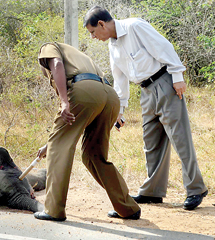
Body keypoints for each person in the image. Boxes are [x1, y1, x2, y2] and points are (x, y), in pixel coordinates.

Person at [83, 6, 208, 210]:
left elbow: (164, 48)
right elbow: (120, 79)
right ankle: (153, 192)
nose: (93, 37)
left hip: (165, 83)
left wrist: (178, 77)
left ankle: (196, 189)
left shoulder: (135, 27)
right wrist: (119, 111)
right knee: (151, 141)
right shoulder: (112, 45)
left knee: (180, 138)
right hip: (146, 91)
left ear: (101, 24)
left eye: (92, 32)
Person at [33, 42, 141, 221]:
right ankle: (127, 208)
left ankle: (53, 209)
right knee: (94, 155)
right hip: (109, 96)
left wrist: (64, 102)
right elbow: (75, 124)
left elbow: (57, 65)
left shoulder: (47, 47)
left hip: (85, 91)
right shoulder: (78, 56)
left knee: (59, 149)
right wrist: (50, 143)